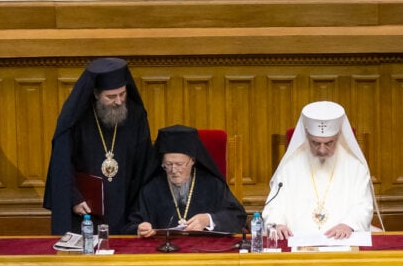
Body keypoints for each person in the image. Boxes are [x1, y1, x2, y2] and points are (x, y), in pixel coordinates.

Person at [43, 57, 156, 235]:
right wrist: (74, 197)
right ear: (96, 93)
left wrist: (138, 209)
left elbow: (143, 164)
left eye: (122, 94)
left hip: (126, 203)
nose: (119, 101)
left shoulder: (136, 115)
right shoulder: (77, 118)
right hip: (85, 209)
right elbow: (62, 163)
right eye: (111, 96)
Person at [263, 101, 376, 240]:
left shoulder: (355, 167)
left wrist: (348, 224)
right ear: (306, 135)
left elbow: (364, 205)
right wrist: (278, 224)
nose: (322, 150)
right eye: (315, 143)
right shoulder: (290, 165)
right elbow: (275, 203)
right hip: (297, 241)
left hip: (342, 240)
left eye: (329, 143)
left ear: (338, 135)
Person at [129, 125, 247, 237]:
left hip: (205, 254)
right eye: (168, 164)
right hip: (163, 254)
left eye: (179, 164)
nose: (174, 170)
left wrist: (208, 219)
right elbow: (132, 223)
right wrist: (140, 228)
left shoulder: (212, 184)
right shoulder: (151, 188)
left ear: (192, 161)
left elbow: (238, 216)